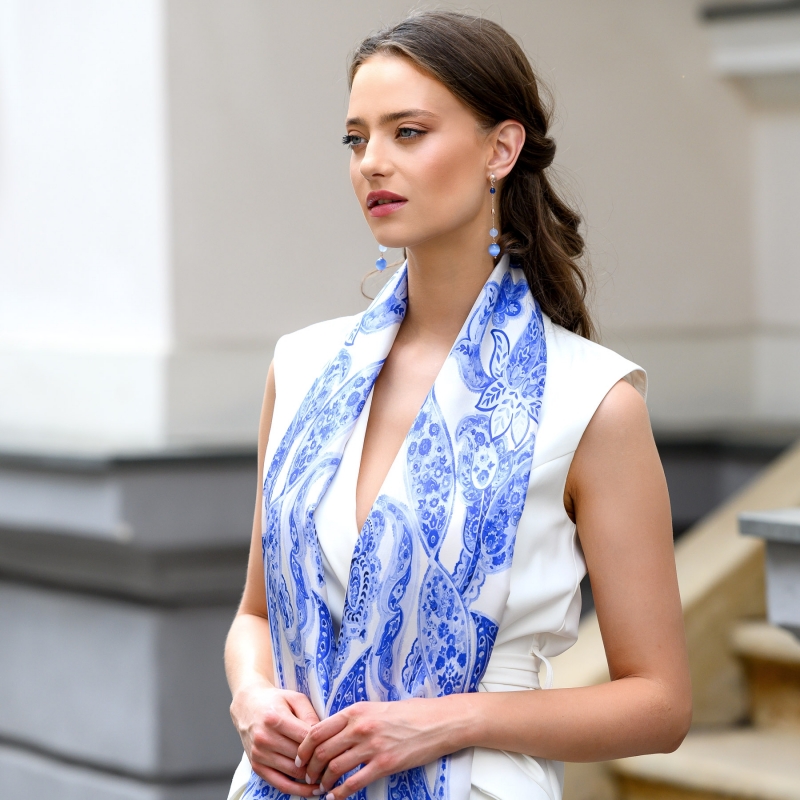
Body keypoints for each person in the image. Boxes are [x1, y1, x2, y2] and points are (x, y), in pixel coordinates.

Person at [224, 11, 691, 800]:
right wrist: (252, 698)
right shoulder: (301, 368)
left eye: (408, 132)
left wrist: (447, 721)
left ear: (500, 151)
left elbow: (661, 703)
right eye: (355, 138)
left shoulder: (593, 402)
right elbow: (256, 617)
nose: (373, 162)